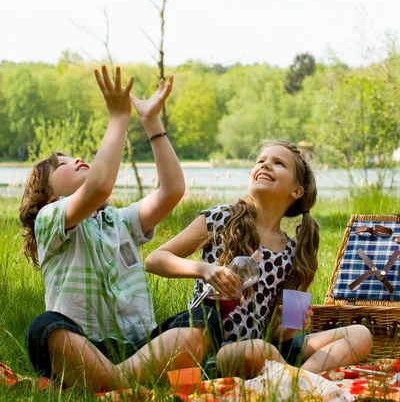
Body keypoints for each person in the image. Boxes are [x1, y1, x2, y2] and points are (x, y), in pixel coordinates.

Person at [19, 66, 221, 393]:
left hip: (137, 348)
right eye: (64, 163)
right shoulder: (50, 219)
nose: (79, 159)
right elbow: (99, 186)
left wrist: (151, 123)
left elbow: (172, 191)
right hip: (81, 347)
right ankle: (128, 385)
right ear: (50, 195)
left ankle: (111, 384)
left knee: (204, 322)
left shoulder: (119, 220)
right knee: (43, 329)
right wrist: (118, 118)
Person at [145, 139, 372, 378]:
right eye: (260, 161)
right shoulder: (221, 218)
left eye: (278, 163)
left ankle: (298, 381)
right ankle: (295, 381)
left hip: (267, 351)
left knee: (359, 334)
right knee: (259, 350)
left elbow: (279, 336)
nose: (265, 165)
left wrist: (291, 325)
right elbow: (155, 260)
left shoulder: (296, 252)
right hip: (215, 348)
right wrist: (204, 270)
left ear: (296, 191)